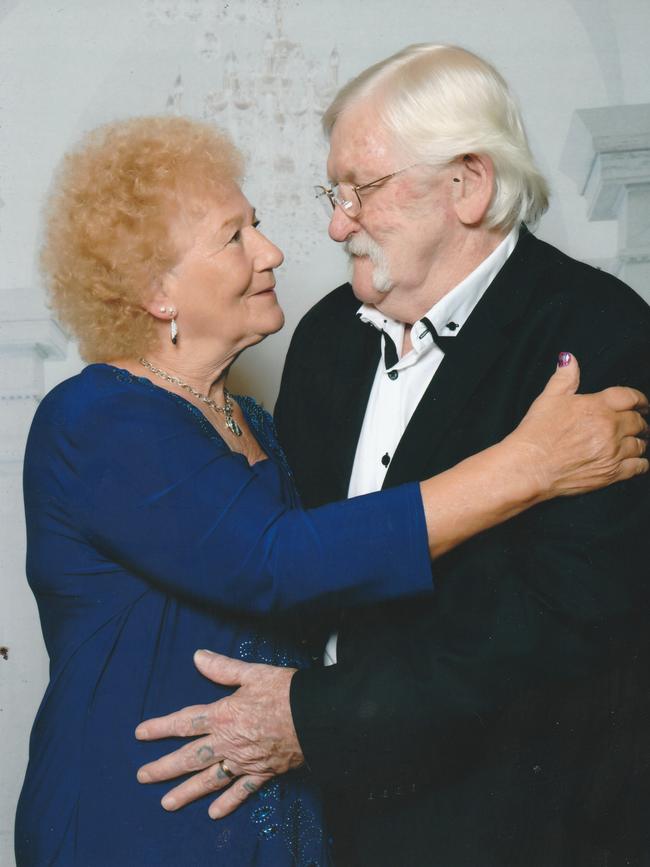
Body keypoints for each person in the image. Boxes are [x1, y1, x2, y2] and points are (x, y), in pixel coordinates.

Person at [15, 113, 642, 867]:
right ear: (157, 292)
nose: (274, 251)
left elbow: (340, 597)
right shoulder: (96, 418)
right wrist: (528, 465)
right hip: (145, 818)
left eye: (259, 225)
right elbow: (281, 561)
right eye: (234, 237)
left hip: (287, 818)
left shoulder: (251, 420)